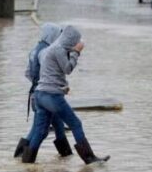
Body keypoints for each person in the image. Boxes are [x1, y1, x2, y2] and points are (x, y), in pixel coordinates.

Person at [23, 25, 110, 164]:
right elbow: (67, 69)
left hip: (39, 95)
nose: (75, 44)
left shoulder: (47, 50)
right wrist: (76, 52)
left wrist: (62, 87)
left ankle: (27, 163)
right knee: (76, 124)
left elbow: (50, 75)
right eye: (74, 41)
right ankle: (89, 158)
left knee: (40, 132)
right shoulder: (58, 50)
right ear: (70, 39)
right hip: (51, 97)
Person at [14, 23, 73, 160]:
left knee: (58, 126)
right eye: (57, 35)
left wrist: (37, 84)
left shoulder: (34, 50)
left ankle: (66, 157)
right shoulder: (47, 51)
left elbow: (28, 73)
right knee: (39, 129)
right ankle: (23, 157)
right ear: (51, 34)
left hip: (36, 94)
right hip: (47, 95)